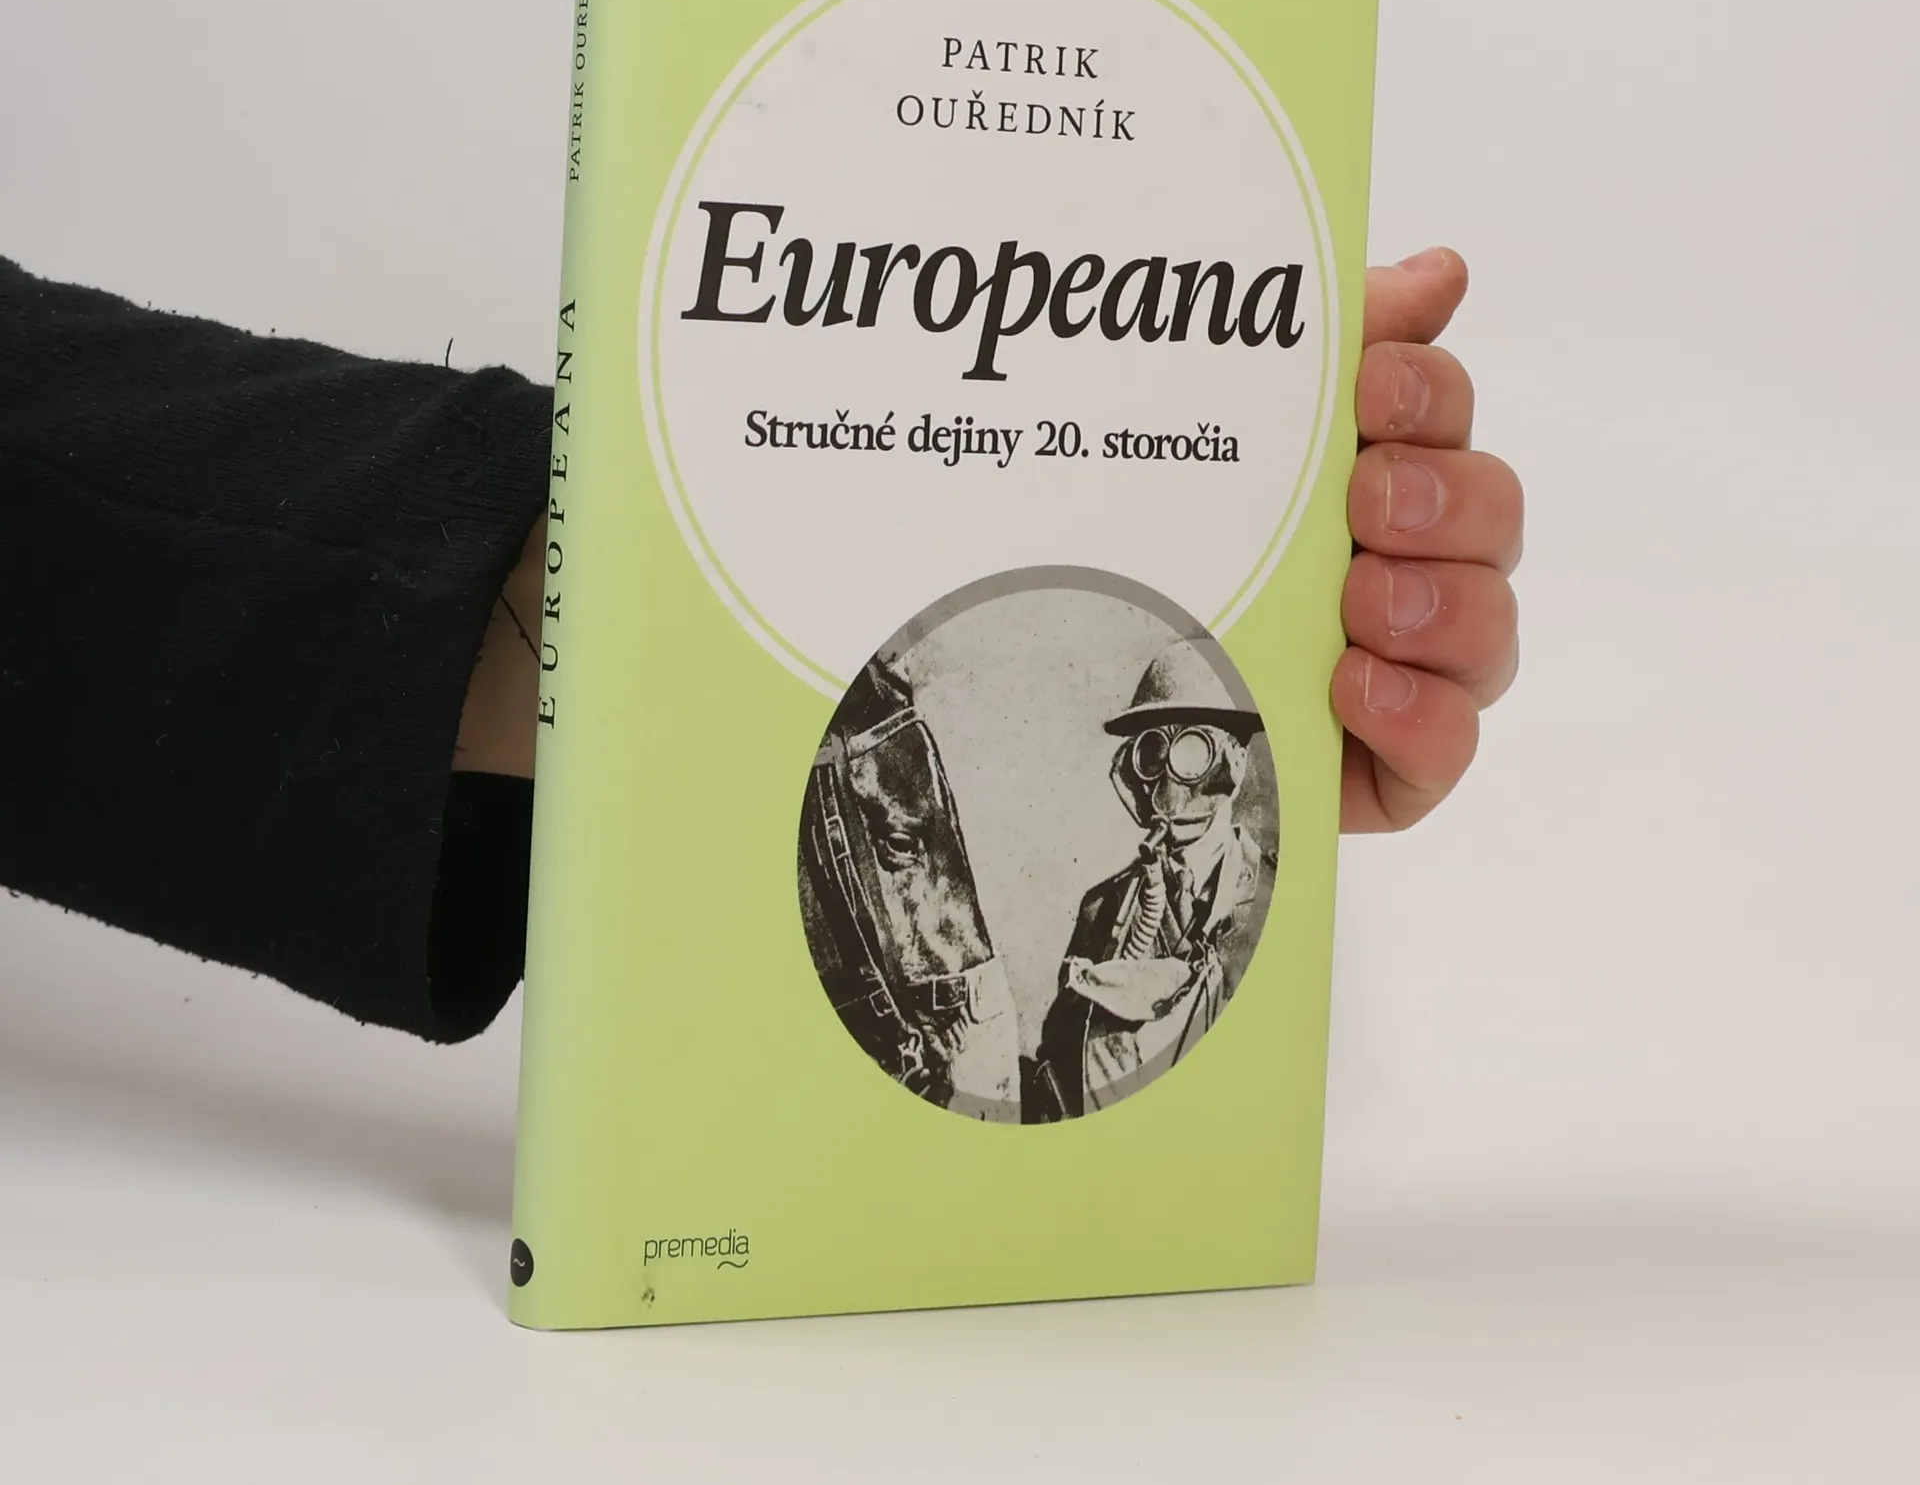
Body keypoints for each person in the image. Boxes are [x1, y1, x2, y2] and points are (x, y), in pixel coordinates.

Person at [0, 246, 1521, 1042]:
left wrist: (1073, 508)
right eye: (1158, 766)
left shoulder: (1169, 879)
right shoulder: (1089, 897)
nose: (1178, 795)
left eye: (1198, 767)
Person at [1025, 645, 1274, 1119]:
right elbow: (1061, 1062)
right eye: (1153, 752)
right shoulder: (1103, 909)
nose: (1169, 781)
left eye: (1192, 751)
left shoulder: (1272, 894)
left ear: (1235, 763)